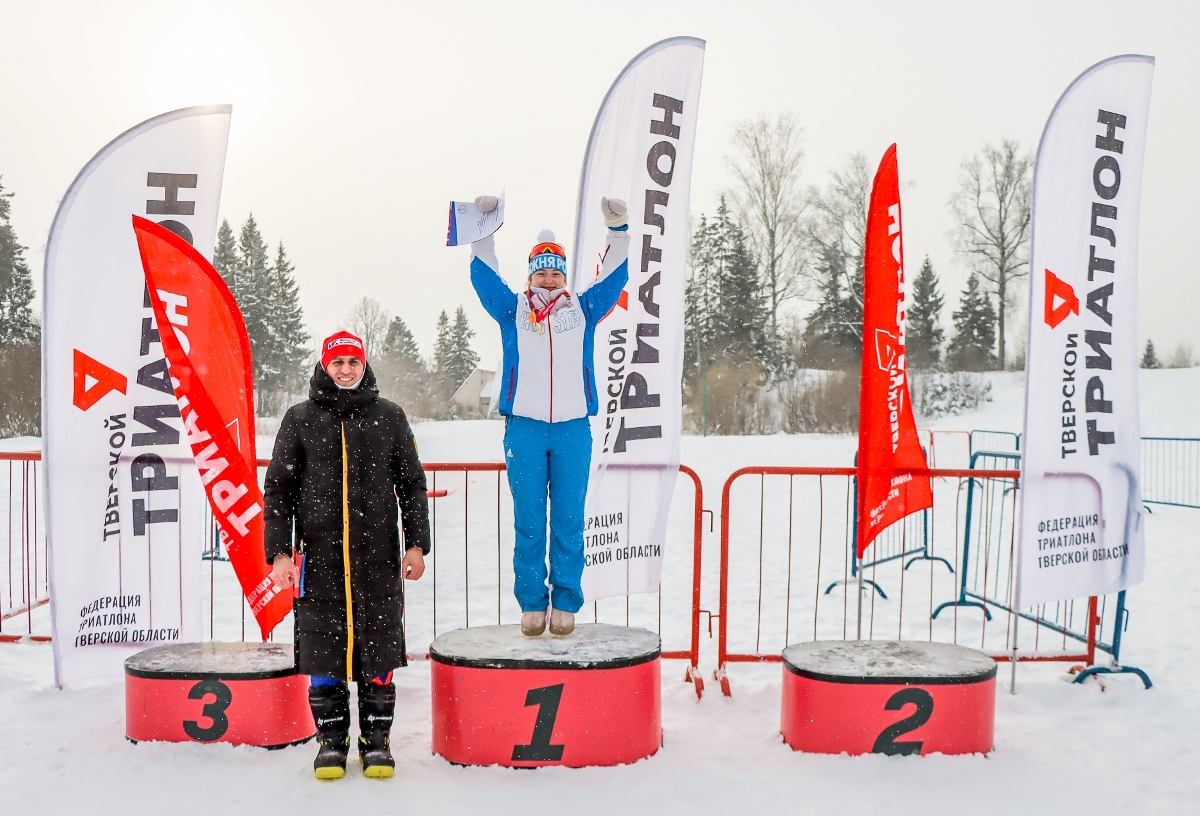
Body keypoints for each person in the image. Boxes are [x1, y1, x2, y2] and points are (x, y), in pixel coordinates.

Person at [264, 330, 430, 781]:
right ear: (324, 366)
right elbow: (278, 489)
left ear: (363, 366)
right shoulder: (299, 419)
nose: (345, 370)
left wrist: (416, 543)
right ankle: (331, 743)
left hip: (377, 561)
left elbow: (412, 484)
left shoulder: (389, 417)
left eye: (352, 362)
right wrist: (279, 553)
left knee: (378, 654)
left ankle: (377, 743)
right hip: (318, 561)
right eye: (337, 363)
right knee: (323, 654)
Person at [469, 195, 629, 637]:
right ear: (531, 275)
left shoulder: (583, 308)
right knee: (529, 520)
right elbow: (484, 279)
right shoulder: (514, 310)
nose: (549, 277)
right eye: (541, 271)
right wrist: (483, 231)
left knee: (569, 518)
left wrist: (618, 229)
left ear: (563, 276)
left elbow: (615, 278)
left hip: (574, 429)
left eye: (556, 271)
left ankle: (566, 600)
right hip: (525, 428)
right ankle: (532, 603)